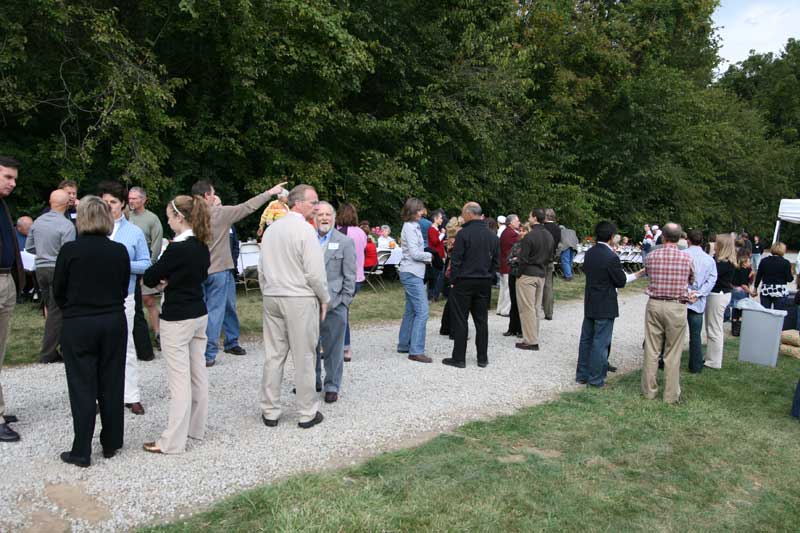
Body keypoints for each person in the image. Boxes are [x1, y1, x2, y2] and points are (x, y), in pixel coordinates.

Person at [53, 196, 130, 466]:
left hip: (79, 323)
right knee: (112, 382)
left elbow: (58, 291)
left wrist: (74, 309)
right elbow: (123, 289)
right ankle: (111, 442)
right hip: (112, 320)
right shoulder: (119, 251)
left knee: (82, 385)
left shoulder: (70, 251)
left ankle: (81, 449)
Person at [141, 195, 211, 454]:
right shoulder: (202, 244)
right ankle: (196, 428)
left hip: (178, 316)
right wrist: (171, 279)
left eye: (169, 217)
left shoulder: (178, 247)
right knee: (198, 373)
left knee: (179, 381)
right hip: (198, 312)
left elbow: (150, 275)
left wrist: (165, 280)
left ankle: (172, 441)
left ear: (179, 217)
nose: (168, 222)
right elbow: (199, 275)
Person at [191, 179, 287, 367]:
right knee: (215, 311)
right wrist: (270, 192)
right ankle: (209, 353)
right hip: (218, 270)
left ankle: (197, 350)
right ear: (207, 196)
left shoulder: (188, 215)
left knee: (198, 312)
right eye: (213, 193)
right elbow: (248, 206)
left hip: (196, 270)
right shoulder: (220, 213)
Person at [258, 185, 329, 428]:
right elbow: (315, 273)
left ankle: (270, 410)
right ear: (297, 203)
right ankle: (307, 412)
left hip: (272, 295)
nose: (317, 207)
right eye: (313, 202)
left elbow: (261, 267)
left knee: (273, 355)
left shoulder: (271, 230)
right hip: (298, 297)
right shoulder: (306, 231)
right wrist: (324, 298)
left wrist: (267, 290)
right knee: (304, 355)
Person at [98, 180, 151, 415]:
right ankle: (101, 396)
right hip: (97, 297)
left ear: (122, 205)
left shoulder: (134, 232)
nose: (109, 206)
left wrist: (121, 263)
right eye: (105, 202)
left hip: (124, 295)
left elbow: (146, 264)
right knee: (99, 348)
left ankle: (131, 395)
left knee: (126, 346)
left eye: (113, 202)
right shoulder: (92, 230)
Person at [576, 222, 638, 388]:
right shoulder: (611, 257)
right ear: (611, 237)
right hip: (605, 303)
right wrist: (637, 275)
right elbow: (620, 281)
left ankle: (582, 374)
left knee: (586, 339)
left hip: (590, 300)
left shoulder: (589, 253)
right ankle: (595, 379)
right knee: (600, 342)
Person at [641, 222, 694, 404]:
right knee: (673, 351)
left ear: (662, 236)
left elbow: (647, 274)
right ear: (679, 238)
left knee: (652, 349)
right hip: (676, 306)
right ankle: (670, 395)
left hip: (655, 304)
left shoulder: (651, 256)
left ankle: (649, 391)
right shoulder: (686, 258)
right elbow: (691, 279)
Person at [442, 202, 499, 369]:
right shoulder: (492, 236)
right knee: (482, 321)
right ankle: (482, 358)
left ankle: (459, 358)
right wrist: (488, 276)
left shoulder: (463, 234)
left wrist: (453, 281)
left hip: (464, 281)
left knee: (461, 319)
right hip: (484, 281)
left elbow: (457, 260)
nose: (462, 216)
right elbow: (496, 262)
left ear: (469, 213)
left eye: (462, 213)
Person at [25, 189, 76, 363]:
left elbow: (29, 247)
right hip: (57, 269)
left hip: (40, 270)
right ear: (67, 204)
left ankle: (57, 347)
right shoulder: (67, 225)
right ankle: (48, 353)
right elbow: (68, 252)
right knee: (57, 311)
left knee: (50, 308)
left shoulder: (38, 222)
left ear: (50, 201)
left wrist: (42, 252)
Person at [314, 201, 356, 402]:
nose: (324, 218)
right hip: (309, 304)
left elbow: (350, 276)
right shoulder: (306, 239)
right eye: (320, 214)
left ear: (333, 217)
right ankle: (312, 380)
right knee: (308, 346)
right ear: (314, 217)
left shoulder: (345, 242)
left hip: (335, 304)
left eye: (328, 214)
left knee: (334, 348)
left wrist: (344, 301)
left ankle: (332, 384)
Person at [0, 156, 24, 443]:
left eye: (14, 178)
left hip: (6, 280)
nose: (13, 183)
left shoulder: (3, 204)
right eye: (7, 177)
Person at [128, 186, 163, 361]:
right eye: (130, 198)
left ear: (143, 200)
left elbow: (156, 242)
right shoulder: (125, 216)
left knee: (148, 300)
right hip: (128, 267)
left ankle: (158, 334)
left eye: (135, 198)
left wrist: (150, 267)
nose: (131, 201)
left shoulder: (152, 219)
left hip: (145, 264)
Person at [397, 198, 433, 363]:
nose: (422, 212)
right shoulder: (409, 228)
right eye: (420, 210)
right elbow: (415, 253)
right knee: (423, 311)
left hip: (413, 272)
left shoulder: (414, 226)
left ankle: (404, 344)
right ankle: (416, 350)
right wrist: (431, 256)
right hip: (412, 272)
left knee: (411, 310)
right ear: (412, 211)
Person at [515, 209, 554, 351]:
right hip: (541, 274)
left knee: (527, 308)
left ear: (535, 218)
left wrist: (519, 274)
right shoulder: (549, 236)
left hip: (528, 274)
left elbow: (523, 259)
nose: (528, 218)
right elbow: (551, 256)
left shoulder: (530, 237)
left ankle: (530, 340)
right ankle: (533, 335)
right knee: (536, 307)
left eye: (530, 216)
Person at [213, 194, 246, 357]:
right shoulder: (205, 222)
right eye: (216, 205)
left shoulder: (230, 224)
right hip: (211, 271)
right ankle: (206, 344)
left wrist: (231, 264)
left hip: (228, 270)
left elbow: (235, 246)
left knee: (229, 306)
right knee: (211, 308)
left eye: (220, 204)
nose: (219, 208)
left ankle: (232, 342)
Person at [684, 229, 717, 373]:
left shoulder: (682, 255)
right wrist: (700, 293)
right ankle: (696, 366)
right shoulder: (709, 259)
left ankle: (666, 361)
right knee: (695, 335)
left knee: (673, 332)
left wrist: (689, 292)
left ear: (688, 240)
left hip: (682, 298)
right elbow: (712, 279)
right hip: (697, 299)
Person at [336, 202, 366, 362]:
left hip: (343, 278)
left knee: (339, 313)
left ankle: (344, 347)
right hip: (358, 278)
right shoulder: (361, 232)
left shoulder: (339, 233)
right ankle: (344, 348)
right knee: (343, 312)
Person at [704, 234, 735, 370]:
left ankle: (714, 361)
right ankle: (711, 357)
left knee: (714, 328)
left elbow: (708, 273)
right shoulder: (722, 261)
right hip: (718, 294)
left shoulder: (724, 263)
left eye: (716, 243)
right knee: (712, 327)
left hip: (718, 295)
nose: (714, 244)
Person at [504, 223, 529, 338]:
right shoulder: (517, 244)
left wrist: (516, 259)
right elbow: (509, 259)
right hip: (512, 274)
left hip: (522, 275)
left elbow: (523, 260)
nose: (522, 232)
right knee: (513, 301)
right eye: (521, 230)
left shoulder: (528, 245)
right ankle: (512, 328)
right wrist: (515, 259)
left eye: (524, 230)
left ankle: (520, 328)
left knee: (521, 302)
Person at [754, 242, 793, 309]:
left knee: (765, 312)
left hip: (766, 289)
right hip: (779, 290)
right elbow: (789, 279)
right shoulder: (786, 263)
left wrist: (755, 288)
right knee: (778, 313)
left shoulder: (764, 261)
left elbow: (759, 276)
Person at [496, 215, 520, 316]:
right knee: (508, 289)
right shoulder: (512, 234)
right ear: (511, 223)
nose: (519, 222)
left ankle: (500, 308)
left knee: (503, 288)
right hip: (507, 265)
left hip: (502, 264)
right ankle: (506, 310)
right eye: (517, 221)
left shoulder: (505, 232)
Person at [542, 208, 561, 320]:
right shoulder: (558, 229)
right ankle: (549, 312)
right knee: (548, 286)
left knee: (539, 284)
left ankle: (537, 308)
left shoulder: (543, 228)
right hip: (551, 258)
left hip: (540, 259)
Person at [729, 250, 752, 336]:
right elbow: (744, 284)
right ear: (744, 263)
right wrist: (751, 292)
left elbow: (731, 281)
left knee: (735, 308)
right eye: (749, 261)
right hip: (741, 291)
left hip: (734, 289)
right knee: (741, 309)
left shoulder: (736, 269)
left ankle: (734, 328)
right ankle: (738, 329)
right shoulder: (744, 270)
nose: (750, 263)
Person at [427, 209, 446, 301]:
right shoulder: (432, 229)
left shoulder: (436, 229)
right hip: (436, 256)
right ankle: (433, 295)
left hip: (439, 255)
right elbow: (435, 242)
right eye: (440, 218)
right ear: (435, 219)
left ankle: (434, 294)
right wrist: (442, 234)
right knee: (437, 276)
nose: (442, 220)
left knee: (438, 275)